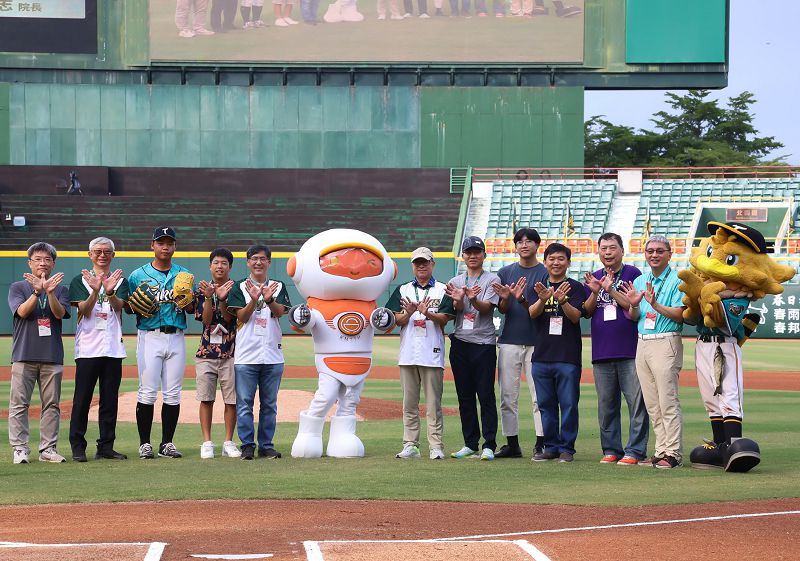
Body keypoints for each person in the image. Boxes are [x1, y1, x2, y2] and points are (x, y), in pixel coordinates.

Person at [127, 227, 196, 460]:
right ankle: (144, 443)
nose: (165, 246)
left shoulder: (184, 274)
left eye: (169, 242)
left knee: (173, 394)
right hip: (149, 336)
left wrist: (188, 302)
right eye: (161, 242)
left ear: (175, 246)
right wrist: (134, 304)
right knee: (147, 392)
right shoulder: (137, 275)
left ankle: (167, 443)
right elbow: (128, 307)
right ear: (153, 245)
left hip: (176, 335)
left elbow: (192, 308)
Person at [620, 234, 686, 469]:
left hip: (666, 339)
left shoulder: (679, 279)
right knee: (652, 403)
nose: (654, 255)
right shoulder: (640, 281)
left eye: (659, 251)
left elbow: (681, 315)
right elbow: (634, 316)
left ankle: (673, 453)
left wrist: (655, 305)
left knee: (667, 399)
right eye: (650, 251)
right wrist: (635, 304)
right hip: (643, 341)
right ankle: (660, 450)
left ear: (669, 254)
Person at [583, 232, 649, 466]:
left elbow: (634, 306)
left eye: (612, 248)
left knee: (636, 403)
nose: (608, 252)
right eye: (603, 248)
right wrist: (594, 290)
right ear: (598, 252)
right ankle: (611, 449)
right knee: (606, 405)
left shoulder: (633, 274)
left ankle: (636, 450)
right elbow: (587, 311)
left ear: (622, 250)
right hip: (601, 351)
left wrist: (611, 290)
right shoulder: (595, 276)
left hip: (630, 350)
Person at [385, 247, 455, 460]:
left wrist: (427, 313)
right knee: (409, 403)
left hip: (431, 353)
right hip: (408, 353)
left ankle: (435, 446)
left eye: (425, 262)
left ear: (433, 264)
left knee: (433, 404)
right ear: (412, 265)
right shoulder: (403, 289)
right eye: (417, 262)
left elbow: (445, 319)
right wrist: (409, 312)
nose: (421, 265)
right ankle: (410, 445)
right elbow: (396, 320)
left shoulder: (443, 289)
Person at [8, 242, 71, 464]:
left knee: (52, 405)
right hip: (23, 354)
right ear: (30, 263)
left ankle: (48, 449)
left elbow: (59, 313)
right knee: (19, 404)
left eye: (47, 259)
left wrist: (50, 292)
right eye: (38, 259)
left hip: (52, 355)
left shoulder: (61, 289)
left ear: (53, 263)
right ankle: (20, 448)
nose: (42, 263)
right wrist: (37, 291)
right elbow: (23, 312)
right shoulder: (17, 287)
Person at [68, 237, 130, 462]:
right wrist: (95, 291)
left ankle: (106, 446)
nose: (102, 255)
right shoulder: (79, 280)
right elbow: (83, 310)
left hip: (113, 348)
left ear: (113, 255)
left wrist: (110, 292)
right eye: (97, 251)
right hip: (87, 348)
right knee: (82, 399)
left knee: (109, 400)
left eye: (106, 251)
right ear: (90, 254)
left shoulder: (120, 280)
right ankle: (77, 445)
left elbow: (120, 307)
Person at [226, 245, 290, 460]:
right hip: (246, 354)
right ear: (248, 262)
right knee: (244, 403)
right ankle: (247, 445)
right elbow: (241, 318)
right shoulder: (239, 287)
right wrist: (254, 300)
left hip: (272, 354)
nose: (258, 263)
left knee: (269, 404)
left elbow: (280, 312)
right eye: (254, 259)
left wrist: (269, 299)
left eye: (263, 259)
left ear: (269, 262)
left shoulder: (278, 286)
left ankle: (266, 445)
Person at [490, 227, 547, 459]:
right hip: (510, 339)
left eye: (529, 241)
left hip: (537, 341)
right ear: (515, 246)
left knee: (539, 396)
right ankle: (512, 443)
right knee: (507, 395)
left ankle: (541, 442)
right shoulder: (505, 272)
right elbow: (502, 309)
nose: (524, 245)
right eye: (520, 241)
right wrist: (505, 299)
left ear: (537, 245)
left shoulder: (544, 272)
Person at [528, 243, 586, 463]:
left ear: (568, 262)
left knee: (569, 404)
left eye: (561, 258)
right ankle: (550, 446)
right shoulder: (538, 286)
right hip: (541, 356)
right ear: (545, 262)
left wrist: (562, 300)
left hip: (567, 356)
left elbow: (575, 317)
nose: (556, 263)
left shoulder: (575, 287)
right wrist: (543, 298)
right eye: (551, 259)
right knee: (545, 404)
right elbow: (532, 314)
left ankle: (567, 448)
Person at [444, 236, 500, 461]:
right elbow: (455, 310)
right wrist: (459, 301)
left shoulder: (491, 279)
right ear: (463, 256)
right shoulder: (455, 281)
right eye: (469, 252)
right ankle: (470, 443)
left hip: (484, 343)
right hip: (460, 343)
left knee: (485, 395)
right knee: (464, 396)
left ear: (484, 255)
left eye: (477, 252)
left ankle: (489, 444)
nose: (473, 255)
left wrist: (473, 299)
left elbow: (486, 309)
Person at [195, 248, 240, 459]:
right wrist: (208, 298)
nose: (219, 266)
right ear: (210, 265)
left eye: (224, 263)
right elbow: (205, 321)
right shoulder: (202, 289)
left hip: (231, 352)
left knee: (231, 400)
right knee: (206, 399)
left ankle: (229, 442)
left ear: (230, 266)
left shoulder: (237, 289)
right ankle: (207, 442)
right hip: (206, 352)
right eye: (216, 262)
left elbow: (229, 319)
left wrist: (222, 299)